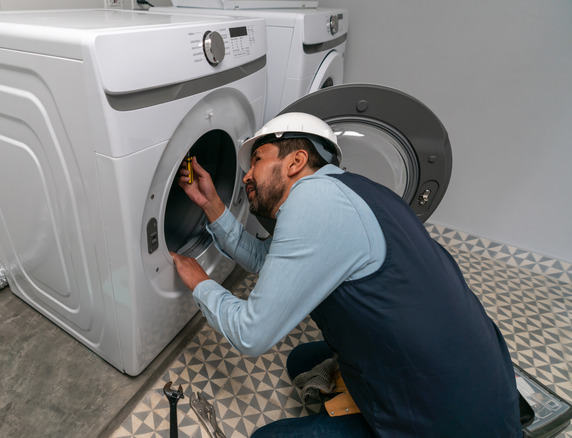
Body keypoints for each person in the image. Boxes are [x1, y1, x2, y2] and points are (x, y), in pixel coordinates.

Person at [170, 112, 522, 437]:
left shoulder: (312, 202)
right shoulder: (353, 190)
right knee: (301, 361)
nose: (246, 175)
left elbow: (251, 334)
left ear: (296, 161)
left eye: (258, 160)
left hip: (449, 422)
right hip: (481, 384)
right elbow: (272, 262)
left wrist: (201, 283)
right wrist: (212, 206)